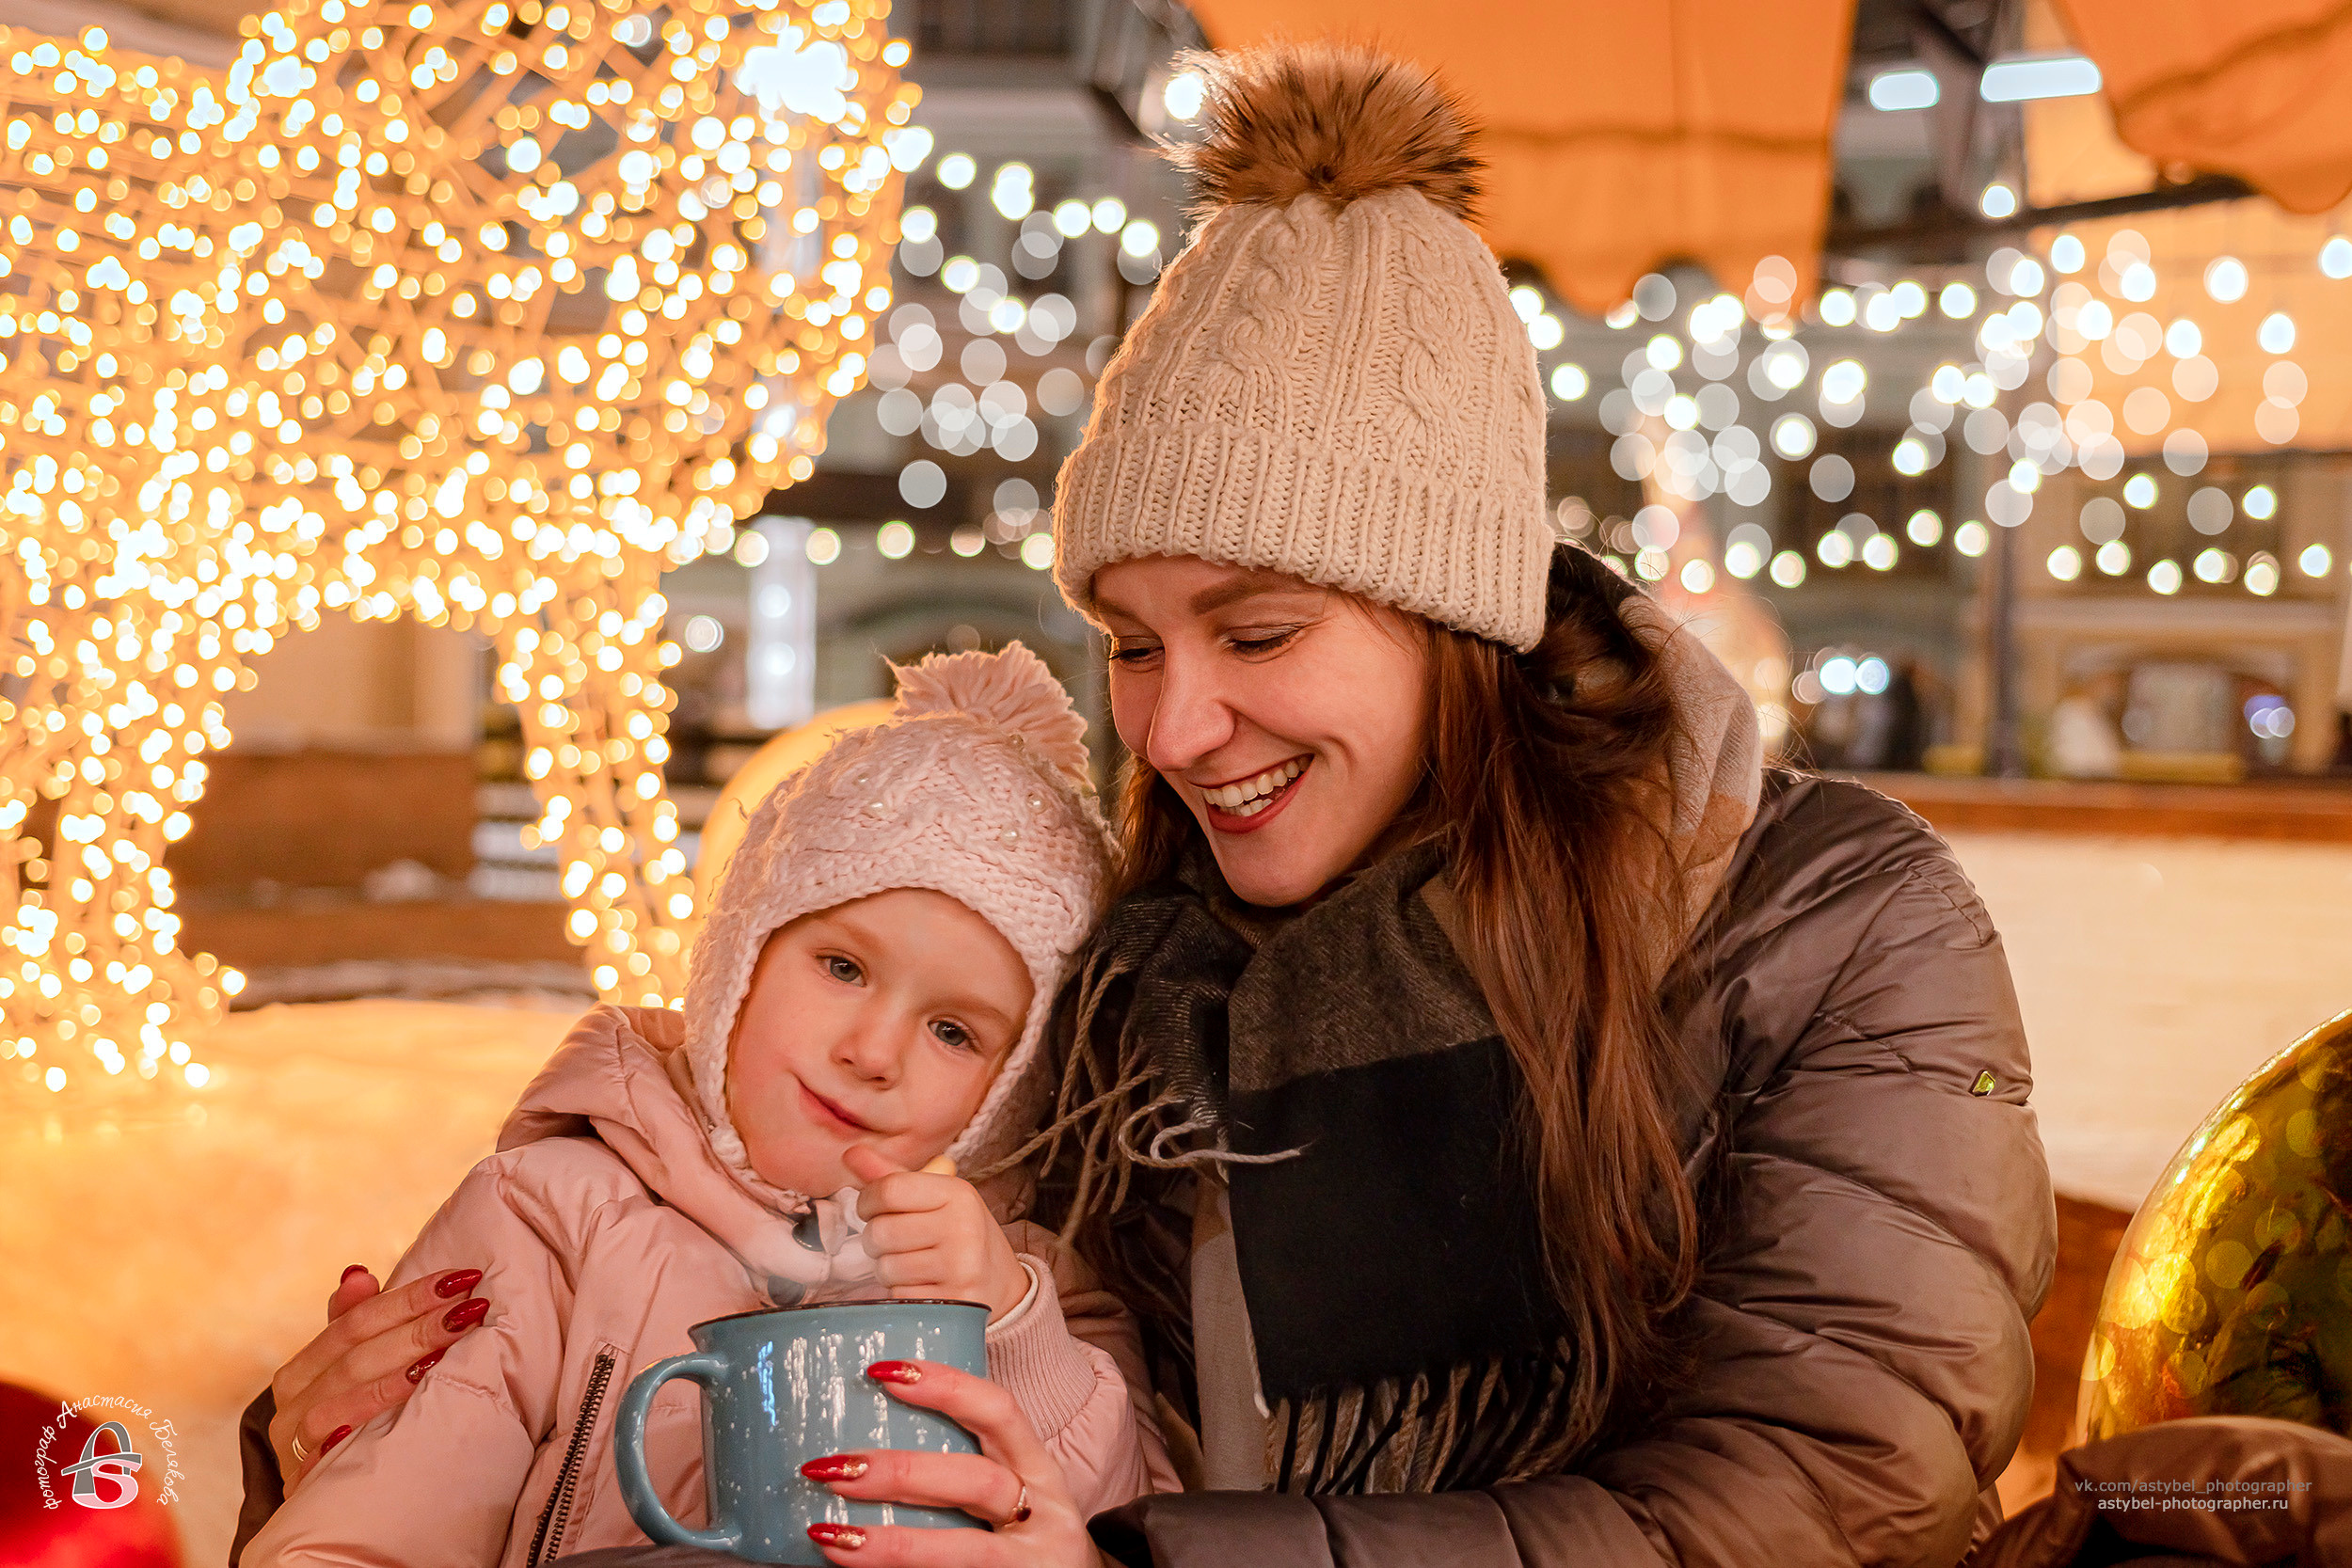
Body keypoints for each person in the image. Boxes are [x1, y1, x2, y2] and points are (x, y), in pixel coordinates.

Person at [236, 38, 2055, 1568]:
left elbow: (1833, 1489)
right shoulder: (1126, 969)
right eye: (1127, 639)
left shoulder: (1827, 917)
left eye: (1256, 629)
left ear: (1459, 629)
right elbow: (930, 1341)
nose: (1177, 725)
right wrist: (347, 1430)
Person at [233, 645, 1175, 1567]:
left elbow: (1126, 1526)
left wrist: (1009, 1323)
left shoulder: (1028, 1280)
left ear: (1013, 1084)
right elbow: (380, 1521)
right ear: (742, 953)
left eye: (954, 1031)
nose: (873, 1051)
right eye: (841, 966)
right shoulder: (554, 1213)